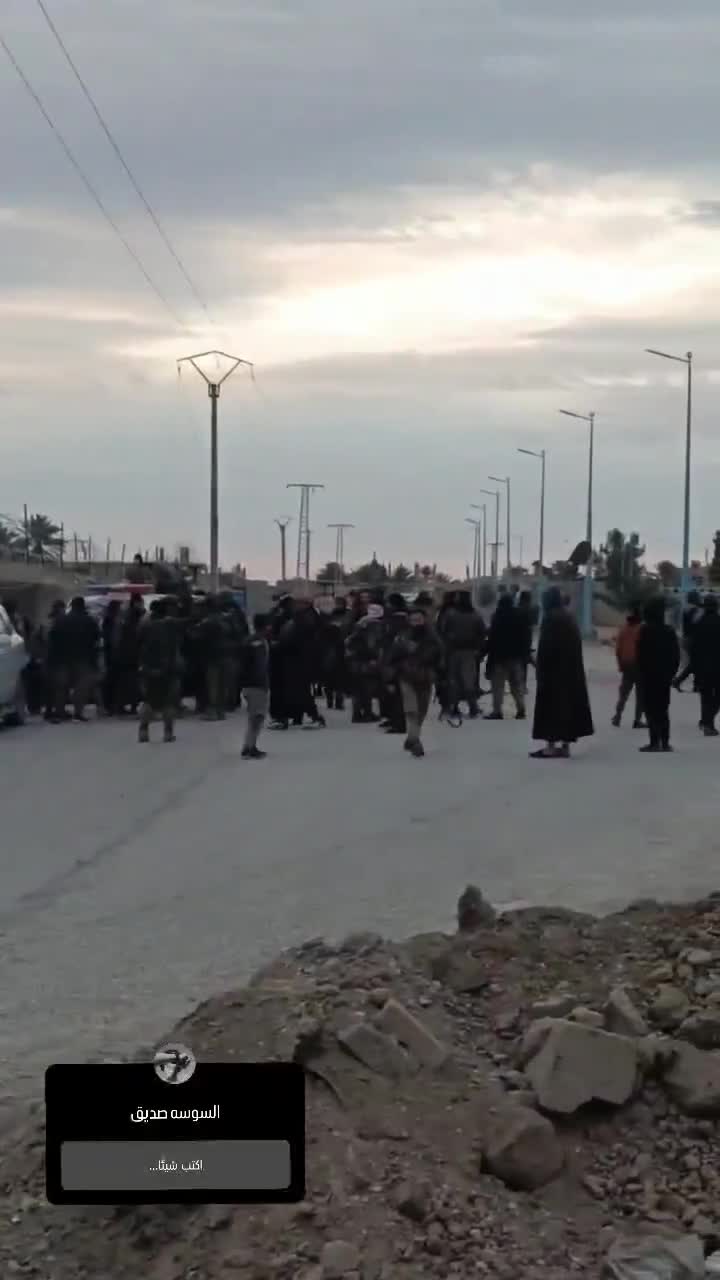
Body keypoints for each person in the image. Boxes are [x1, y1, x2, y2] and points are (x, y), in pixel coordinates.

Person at [531, 586, 594, 758]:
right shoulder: (569, 617)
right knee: (567, 708)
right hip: (571, 672)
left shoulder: (550, 618)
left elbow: (546, 648)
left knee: (550, 709)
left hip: (553, 673)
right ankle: (565, 746)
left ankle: (550, 746)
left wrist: (540, 669)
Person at [388, 606, 443, 757]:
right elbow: (392, 657)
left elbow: (439, 657)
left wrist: (442, 676)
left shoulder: (433, 637)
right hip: (406, 677)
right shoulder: (402, 636)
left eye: (419, 619)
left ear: (424, 619)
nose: (416, 622)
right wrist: (391, 677)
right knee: (412, 710)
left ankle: (411, 738)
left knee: (422, 712)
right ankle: (415, 741)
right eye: (413, 620)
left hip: (426, 678)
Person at [636, 596, 680, 753]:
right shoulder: (669, 631)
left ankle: (654, 742)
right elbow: (676, 656)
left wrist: (641, 673)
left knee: (650, 709)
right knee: (663, 709)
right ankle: (665, 742)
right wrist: (671, 673)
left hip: (649, 676)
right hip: (664, 677)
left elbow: (640, 655)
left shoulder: (645, 631)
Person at [137, 597, 181, 743]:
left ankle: (143, 731)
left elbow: (138, 644)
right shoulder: (171, 626)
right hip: (168, 668)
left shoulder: (144, 626)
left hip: (148, 667)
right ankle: (168, 733)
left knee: (148, 700)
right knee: (168, 701)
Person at [438, 590, 487, 719]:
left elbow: (442, 631)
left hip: (452, 651)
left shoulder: (450, 614)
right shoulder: (475, 614)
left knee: (453, 680)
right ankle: (473, 708)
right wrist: (478, 649)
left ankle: (453, 707)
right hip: (469, 652)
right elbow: (482, 633)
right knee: (468, 680)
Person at [484, 594, 530, 720]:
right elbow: (526, 637)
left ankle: (497, 711)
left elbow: (492, 639)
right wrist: (525, 654)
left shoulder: (497, 617)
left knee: (498, 686)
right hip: (516, 658)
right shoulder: (520, 616)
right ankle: (521, 709)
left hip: (499, 658)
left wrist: (484, 652)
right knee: (516, 685)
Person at [55, 596, 101, 721]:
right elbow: (97, 638)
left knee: (62, 686)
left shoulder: (61, 620)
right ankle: (78, 712)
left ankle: (60, 712)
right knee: (81, 686)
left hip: (63, 658)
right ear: (82, 606)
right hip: (83, 658)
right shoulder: (89, 621)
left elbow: (53, 639)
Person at [346, 602, 385, 723]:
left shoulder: (360, 623)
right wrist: (374, 657)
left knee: (357, 689)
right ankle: (367, 713)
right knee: (367, 687)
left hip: (354, 660)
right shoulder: (375, 625)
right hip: (366, 661)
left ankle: (356, 714)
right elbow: (372, 644)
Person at [240, 613, 271, 759]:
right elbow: (259, 665)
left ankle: (249, 745)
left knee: (254, 717)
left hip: (249, 684)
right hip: (256, 684)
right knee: (257, 718)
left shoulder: (251, 640)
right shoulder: (258, 642)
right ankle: (249, 747)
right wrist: (263, 682)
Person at [690, 594, 720, 736]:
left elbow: (694, 648)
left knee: (706, 696)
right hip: (717, 666)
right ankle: (708, 722)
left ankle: (707, 723)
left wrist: (693, 668)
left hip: (702, 667)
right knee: (716, 698)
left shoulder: (699, 623)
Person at [612, 604, 645, 729]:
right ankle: (637, 720)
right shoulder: (642, 629)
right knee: (640, 694)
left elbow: (618, 650)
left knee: (623, 693)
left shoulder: (623, 629)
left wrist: (620, 665)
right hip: (639, 665)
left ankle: (617, 716)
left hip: (626, 665)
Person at [673, 590, 702, 692]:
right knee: (696, 663)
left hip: (686, 639)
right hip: (692, 640)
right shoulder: (694, 610)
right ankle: (678, 681)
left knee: (696, 662)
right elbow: (698, 625)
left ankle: (696, 685)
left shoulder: (686, 609)